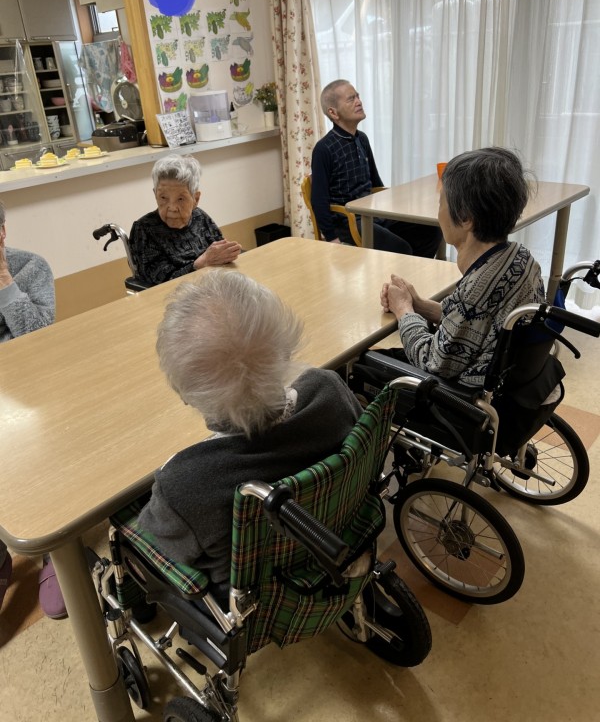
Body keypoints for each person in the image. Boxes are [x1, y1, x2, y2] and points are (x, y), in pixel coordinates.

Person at [137, 270, 362, 592]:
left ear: (185, 395)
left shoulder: (183, 485)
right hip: (335, 532)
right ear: (286, 352)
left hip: (254, 594)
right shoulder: (330, 390)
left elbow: (158, 536)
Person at [379, 147, 548, 386]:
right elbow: (470, 323)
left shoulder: (478, 290)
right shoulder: (521, 258)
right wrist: (419, 304)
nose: (438, 213)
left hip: (460, 395)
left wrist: (403, 310)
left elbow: (431, 361)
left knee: (359, 364)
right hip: (510, 383)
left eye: (441, 203)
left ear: (466, 217)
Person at [0, 200, 65, 619]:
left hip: (30, 389)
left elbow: (40, 338)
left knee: (38, 446)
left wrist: (5, 283)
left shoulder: (31, 268)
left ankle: (54, 549)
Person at [310, 79, 442, 258]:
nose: (359, 102)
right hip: (348, 221)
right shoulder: (324, 149)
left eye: (358, 96)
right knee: (401, 248)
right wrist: (331, 238)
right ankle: (402, 272)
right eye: (351, 99)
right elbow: (318, 200)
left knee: (431, 231)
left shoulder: (362, 139)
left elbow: (376, 184)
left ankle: (411, 274)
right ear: (333, 112)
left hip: (372, 214)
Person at [129, 154, 241, 286]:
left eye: (181, 199)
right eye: (163, 197)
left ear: (195, 199)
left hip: (211, 286)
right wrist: (200, 264)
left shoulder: (200, 217)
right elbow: (159, 282)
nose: (172, 208)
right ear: (155, 195)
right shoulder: (144, 229)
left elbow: (220, 253)